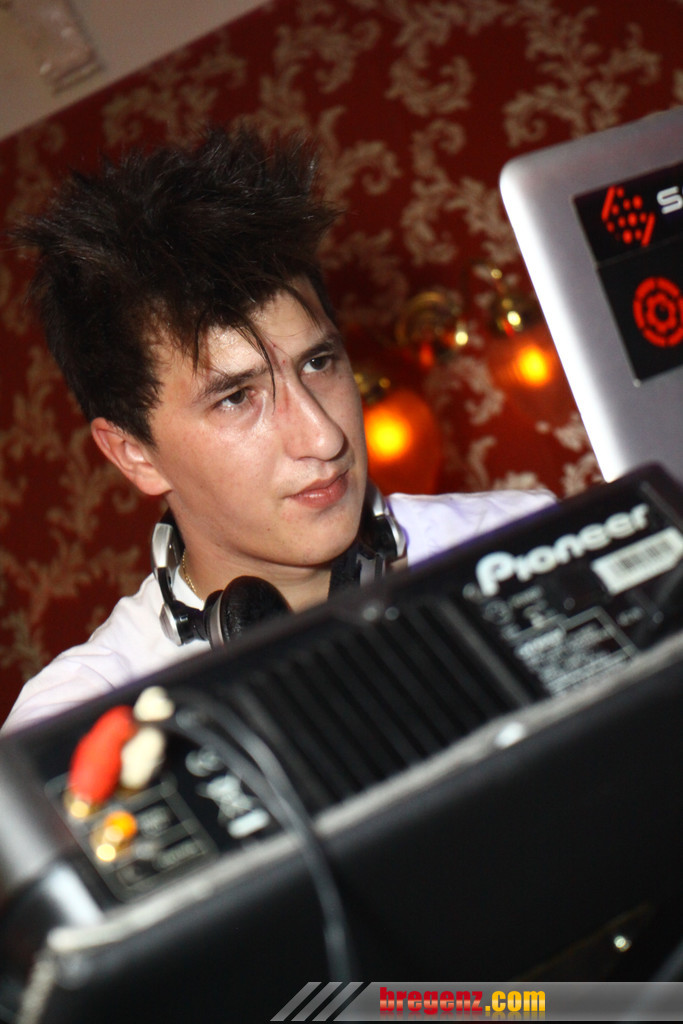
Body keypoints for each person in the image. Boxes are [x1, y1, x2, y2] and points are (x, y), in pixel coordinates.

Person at [3, 126, 552, 732]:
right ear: (135, 454)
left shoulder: (525, 546)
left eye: (318, 363)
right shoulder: (75, 727)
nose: (324, 438)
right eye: (237, 398)